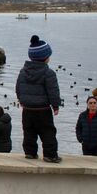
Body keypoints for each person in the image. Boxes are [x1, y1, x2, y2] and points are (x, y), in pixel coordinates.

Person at [15, 35, 62, 163]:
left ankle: (30, 153)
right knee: (48, 132)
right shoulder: (48, 73)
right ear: (45, 57)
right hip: (43, 109)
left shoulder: (23, 71)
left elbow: (18, 87)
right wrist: (56, 105)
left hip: (28, 108)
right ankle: (50, 155)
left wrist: (21, 100)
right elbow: (53, 91)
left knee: (29, 131)